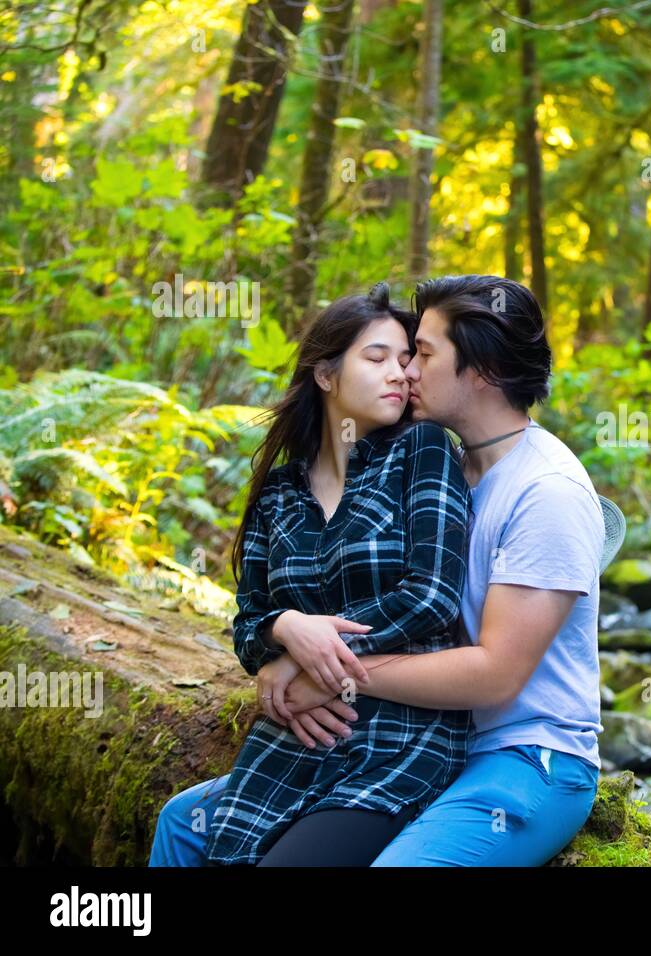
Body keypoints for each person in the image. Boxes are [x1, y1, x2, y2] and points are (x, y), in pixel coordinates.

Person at [152, 274, 605, 867]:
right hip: (429, 733)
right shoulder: (443, 467)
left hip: (527, 756)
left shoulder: (547, 491)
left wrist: (327, 671)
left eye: (423, 352)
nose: (408, 370)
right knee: (186, 825)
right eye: (394, 355)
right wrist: (286, 638)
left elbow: (495, 675)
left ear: (483, 369)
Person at [149, 282, 473, 866]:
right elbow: (248, 621)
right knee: (204, 842)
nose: (399, 373)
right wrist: (284, 628)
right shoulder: (279, 492)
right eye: (376, 358)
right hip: (295, 736)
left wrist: (308, 655)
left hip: (402, 732)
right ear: (325, 375)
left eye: (406, 360)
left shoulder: (423, 450)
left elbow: (431, 596)